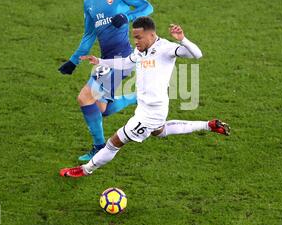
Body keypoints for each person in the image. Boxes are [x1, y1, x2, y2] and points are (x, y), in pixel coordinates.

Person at [59, 16, 230, 177]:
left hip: (151, 112)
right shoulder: (140, 50)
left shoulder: (166, 48)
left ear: (151, 35)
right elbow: (126, 62)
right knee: (160, 131)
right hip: (145, 107)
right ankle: (209, 125)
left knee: (114, 143)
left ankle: (85, 169)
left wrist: (182, 39)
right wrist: (100, 61)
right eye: (134, 37)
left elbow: (197, 54)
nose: (136, 42)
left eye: (139, 37)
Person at [58, 0, 153, 161]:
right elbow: (89, 35)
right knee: (101, 109)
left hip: (121, 58)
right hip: (106, 59)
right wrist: (73, 61)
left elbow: (147, 7)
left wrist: (127, 17)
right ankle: (137, 96)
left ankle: (99, 148)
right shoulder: (89, 3)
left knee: (84, 98)